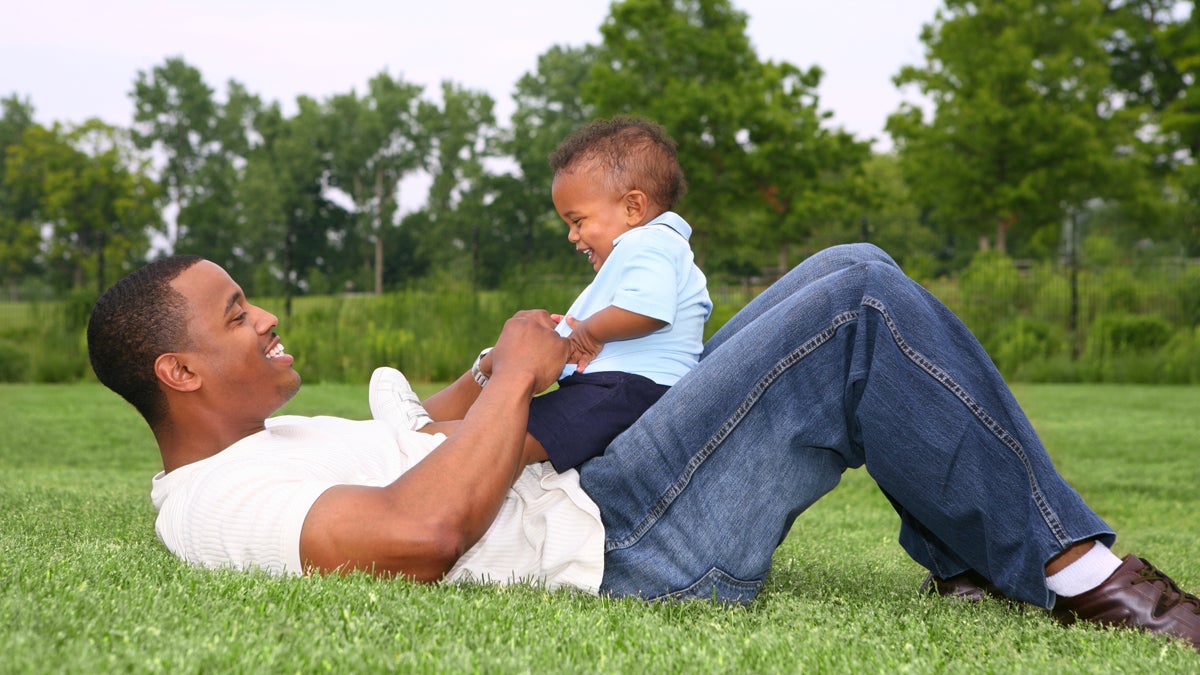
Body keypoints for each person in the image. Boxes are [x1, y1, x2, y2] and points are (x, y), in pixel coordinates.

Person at [87, 222, 1200, 650]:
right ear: (178, 371)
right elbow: (417, 532)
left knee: (840, 274)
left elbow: (422, 437)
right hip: (620, 552)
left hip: (593, 494)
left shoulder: (286, 437)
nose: (266, 315)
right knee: (857, 299)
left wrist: (498, 364)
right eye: (238, 315)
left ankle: (971, 564)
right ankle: (1084, 572)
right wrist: (524, 377)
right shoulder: (209, 503)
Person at [373, 116, 711, 473]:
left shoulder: (650, 242)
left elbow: (650, 309)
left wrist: (588, 332)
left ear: (633, 207)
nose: (572, 236)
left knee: (514, 436)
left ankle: (419, 440)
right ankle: (423, 432)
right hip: (619, 389)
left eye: (578, 221)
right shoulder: (648, 247)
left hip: (628, 390)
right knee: (520, 425)